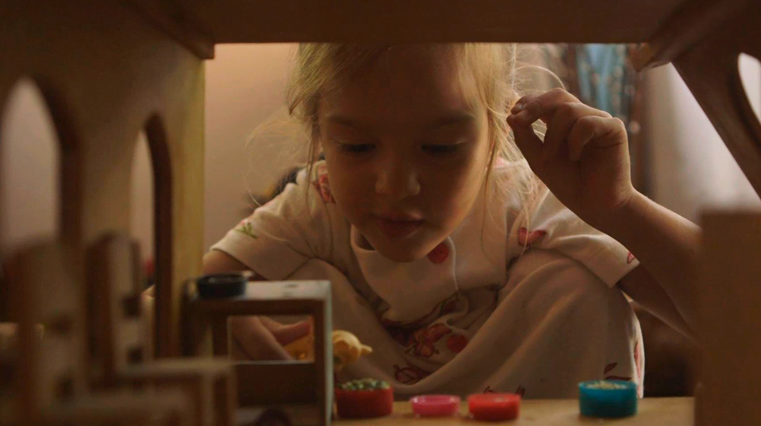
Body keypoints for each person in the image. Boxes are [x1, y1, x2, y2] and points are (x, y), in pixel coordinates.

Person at [202, 44, 699, 398]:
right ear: (318, 132)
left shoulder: (527, 200)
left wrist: (621, 207)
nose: (396, 187)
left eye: (440, 149)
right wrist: (225, 319)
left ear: (498, 130)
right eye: (357, 148)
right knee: (264, 293)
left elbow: (747, 321)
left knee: (569, 279)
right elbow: (168, 302)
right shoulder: (316, 202)